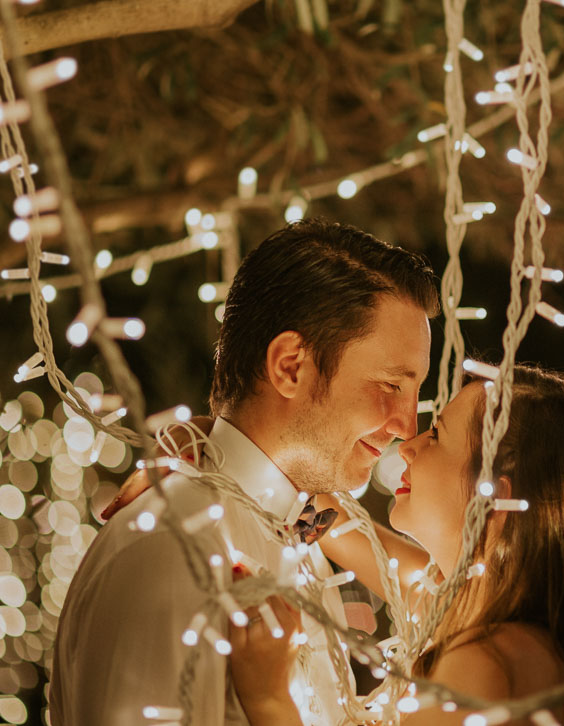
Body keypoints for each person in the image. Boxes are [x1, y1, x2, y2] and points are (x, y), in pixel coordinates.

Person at [49, 219, 440, 726]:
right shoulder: (177, 547)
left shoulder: (300, 535)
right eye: (390, 385)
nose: (405, 425)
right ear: (290, 367)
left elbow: (451, 595)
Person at [228, 365, 564, 726]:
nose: (408, 447)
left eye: (436, 435)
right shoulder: (470, 614)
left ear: (493, 499)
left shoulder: (487, 666)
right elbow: (336, 526)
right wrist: (221, 449)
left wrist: (269, 699)